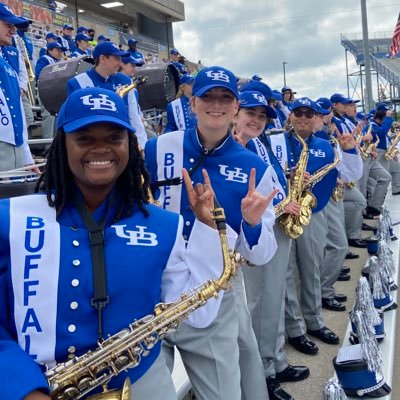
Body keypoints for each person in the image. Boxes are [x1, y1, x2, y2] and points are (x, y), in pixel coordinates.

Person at [0, 86, 229, 400]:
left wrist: (206, 230)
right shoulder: (10, 218)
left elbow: (199, 316)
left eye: (113, 138)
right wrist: (24, 388)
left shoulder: (165, 226)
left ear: (130, 146)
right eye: (84, 138)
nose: (100, 149)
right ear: (61, 146)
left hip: (141, 385)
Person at [145, 66, 278, 400]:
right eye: (208, 96)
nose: (216, 104)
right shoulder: (157, 148)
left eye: (225, 97)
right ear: (193, 103)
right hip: (152, 291)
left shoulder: (255, 167)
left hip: (214, 295)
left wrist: (251, 223)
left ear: (235, 107)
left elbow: (261, 255)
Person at [234, 90, 309, 400]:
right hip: (253, 234)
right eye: (250, 113)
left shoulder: (260, 143)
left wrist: (288, 200)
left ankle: (276, 360)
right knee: (261, 305)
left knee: (274, 301)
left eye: (262, 116)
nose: (257, 120)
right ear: (236, 113)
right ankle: (263, 372)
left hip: (275, 225)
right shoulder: (237, 148)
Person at [67, 41, 147, 148]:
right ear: (103, 59)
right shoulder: (77, 83)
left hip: (122, 141)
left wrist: (142, 145)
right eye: (117, 59)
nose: (120, 63)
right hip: (93, 144)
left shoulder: (125, 81)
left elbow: (134, 116)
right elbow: (75, 122)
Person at [0, 2, 36, 172]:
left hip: (16, 151)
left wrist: (26, 156)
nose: (14, 30)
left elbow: (18, 114)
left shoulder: (9, 67)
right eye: (8, 25)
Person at [372, 103, 400, 195]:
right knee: (384, 177)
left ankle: (397, 188)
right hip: (379, 152)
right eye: (385, 115)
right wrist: (388, 119)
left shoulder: (380, 124)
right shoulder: (372, 124)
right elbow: (381, 133)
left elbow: (384, 136)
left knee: (396, 168)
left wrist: (391, 151)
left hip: (386, 152)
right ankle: (378, 201)